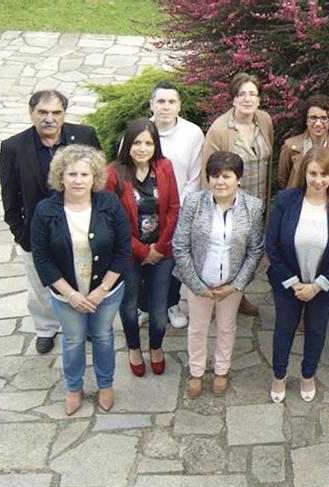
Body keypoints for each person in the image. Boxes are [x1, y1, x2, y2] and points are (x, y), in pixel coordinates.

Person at [0, 90, 101, 354]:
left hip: (80, 226)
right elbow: (10, 196)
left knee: (82, 279)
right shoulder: (13, 148)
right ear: (31, 113)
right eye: (42, 113)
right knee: (41, 286)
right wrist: (21, 234)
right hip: (37, 232)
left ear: (64, 114)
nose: (49, 119)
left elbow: (100, 182)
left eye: (56, 112)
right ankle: (46, 328)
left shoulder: (85, 136)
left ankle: (84, 325)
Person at [30, 145, 130, 415]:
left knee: (103, 337)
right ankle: (74, 387)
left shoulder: (109, 204)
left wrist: (101, 290)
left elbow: (123, 251)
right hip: (66, 294)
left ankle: (105, 384)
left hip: (106, 292)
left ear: (94, 177)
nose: (78, 180)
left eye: (84, 174)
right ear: (60, 177)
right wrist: (71, 295)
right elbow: (42, 258)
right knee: (73, 340)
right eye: (71, 174)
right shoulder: (45, 210)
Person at [172, 151, 265, 398]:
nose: (220, 182)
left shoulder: (253, 206)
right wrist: (196, 284)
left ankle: (222, 371)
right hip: (198, 281)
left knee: (226, 327)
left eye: (227, 176)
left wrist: (236, 285)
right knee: (197, 328)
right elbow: (180, 246)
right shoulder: (193, 202)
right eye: (214, 176)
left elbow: (255, 250)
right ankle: (196, 372)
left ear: (239, 178)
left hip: (231, 284)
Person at [267, 148, 329, 403]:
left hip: (323, 286)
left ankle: (308, 375)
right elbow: (272, 245)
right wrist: (294, 283)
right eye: (313, 173)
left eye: (324, 174)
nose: (318, 180)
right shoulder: (286, 200)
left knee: (316, 330)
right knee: (284, 329)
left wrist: (317, 286)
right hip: (288, 283)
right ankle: (279, 376)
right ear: (304, 173)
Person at [104, 118, 180, 378]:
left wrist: (158, 248)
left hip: (162, 251)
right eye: (137, 142)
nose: (142, 148)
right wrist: (142, 251)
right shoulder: (114, 172)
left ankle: (156, 348)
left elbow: (173, 208)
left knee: (159, 313)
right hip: (128, 254)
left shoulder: (164, 166)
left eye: (148, 143)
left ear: (155, 145)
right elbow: (112, 220)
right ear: (128, 144)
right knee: (129, 307)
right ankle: (134, 348)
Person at [202, 72, 274, 317]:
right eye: (241, 94)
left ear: (259, 99)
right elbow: (208, 172)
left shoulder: (264, 121)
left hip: (257, 203)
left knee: (248, 252)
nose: (247, 99)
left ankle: (238, 295)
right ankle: (216, 298)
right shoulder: (220, 129)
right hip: (229, 204)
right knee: (225, 251)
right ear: (232, 99)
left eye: (252, 94)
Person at [148, 81, 206, 329]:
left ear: (179, 105)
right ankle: (144, 306)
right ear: (151, 104)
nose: (166, 106)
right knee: (145, 257)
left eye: (172, 101)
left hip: (179, 211)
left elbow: (195, 177)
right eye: (161, 101)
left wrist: (175, 210)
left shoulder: (193, 133)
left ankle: (171, 304)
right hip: (145, 211)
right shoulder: (140, 131)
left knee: (173, 261)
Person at [277, 94, 329, 189]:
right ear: (306, 120)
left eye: (324, 118)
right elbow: (283, 179)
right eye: (313, 118)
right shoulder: (290, 147)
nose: (318, 123)